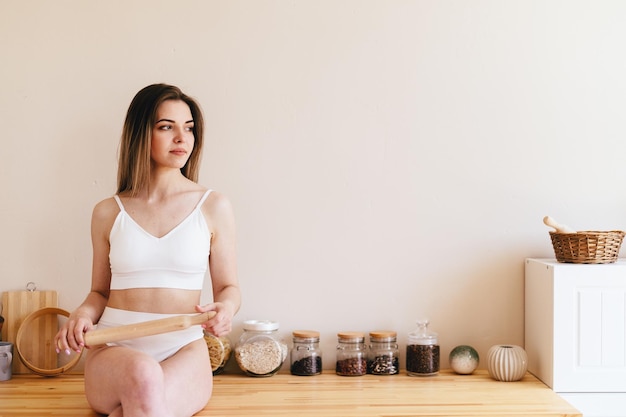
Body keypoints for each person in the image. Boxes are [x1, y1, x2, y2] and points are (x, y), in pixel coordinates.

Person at [54, 83, 240, 417]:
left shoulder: (214, 206)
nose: (182, 138)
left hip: (183, 349)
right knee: (142, 376)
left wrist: (225, 308)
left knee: (139, 404)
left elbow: (229, 288)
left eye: (189, 128)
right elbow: (99, 291)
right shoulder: (108, 212)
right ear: (142, 134)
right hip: (114, 348)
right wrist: (82, 314)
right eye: (166, 127)